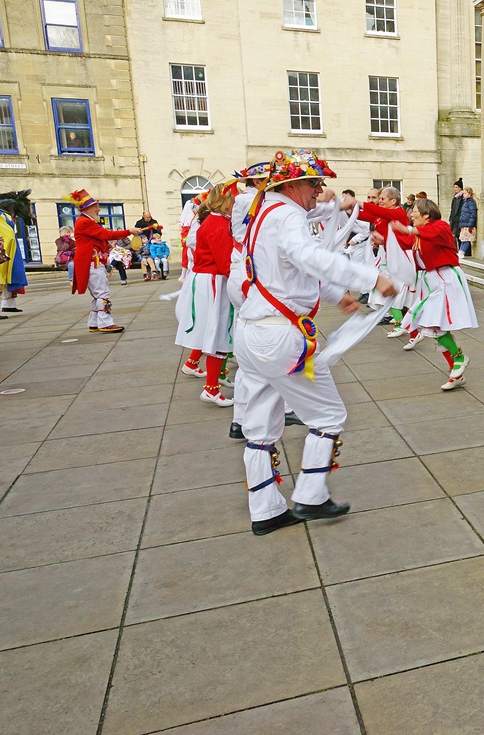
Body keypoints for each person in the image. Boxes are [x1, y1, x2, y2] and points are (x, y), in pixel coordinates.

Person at [235, 150, 397, 536]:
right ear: (290, 185)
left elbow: (283, 275)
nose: (319, 191)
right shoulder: (287, 214)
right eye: (314, 183)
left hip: (250, 331)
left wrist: (336, 294)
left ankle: (266, 509)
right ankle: (310, 493)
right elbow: (306, 257)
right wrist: (369, 278)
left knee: (258, 428)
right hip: (279, 337)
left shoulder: (261, 215)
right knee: (328, 416)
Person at [388, 198, 477, 390]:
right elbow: (407, 242)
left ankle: (460, 359)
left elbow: (427, 233)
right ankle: (456, 371)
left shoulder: (440, 226)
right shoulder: (420, 234)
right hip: (431, 281)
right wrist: (386, 236)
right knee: (432, 326)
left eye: (415, 211)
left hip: (446, 279)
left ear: (426, 214)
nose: (411, 214)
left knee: (431, 324)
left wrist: (407, 230)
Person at [177, 186, 238, 406]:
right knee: (219, 332)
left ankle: (214, 384)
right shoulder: (219, 224)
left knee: (215, 332)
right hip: (215, 280)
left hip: (208, 279)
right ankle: (211, 388)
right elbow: (225, 263)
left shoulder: (212, 220)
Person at [67, 189, 143, 333]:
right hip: (91, 262)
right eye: (95, 206)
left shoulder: (85, 221)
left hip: (92, 261)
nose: (98, 209)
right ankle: (105, 322)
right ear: (87, 209)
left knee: (98, 293)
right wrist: (129, 231)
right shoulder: (85, 222)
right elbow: (105, 234)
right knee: (102, 293)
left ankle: (94, 322)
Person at [356, 187, 416, 341]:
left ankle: (404, 324)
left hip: (403, 255)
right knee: (391, 290)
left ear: (393, 201)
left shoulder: (398, 212)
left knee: (401, 291)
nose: (379, 201)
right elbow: (364, 215)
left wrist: (358, 202)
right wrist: (341, 208)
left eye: (382, 198)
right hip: (389, 254)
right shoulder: (382, 215)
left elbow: (379, 213)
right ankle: (401, 323)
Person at [457, 187, 478, 257]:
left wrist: (470, 225)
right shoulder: (465, 202)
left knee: (467, 239)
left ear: (470, 194)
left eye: (465, 193)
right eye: (463, 193)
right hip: (464, 223)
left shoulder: (471, 202)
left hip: (468, 224)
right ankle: (460, 251)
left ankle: (462, 252)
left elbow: (473, 214)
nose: (464, 195)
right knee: (463, 239)